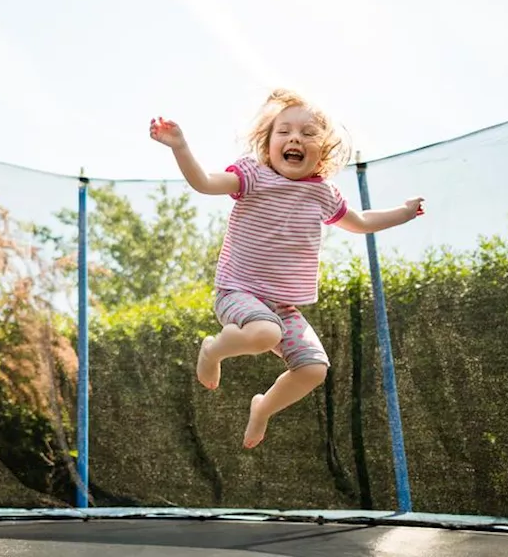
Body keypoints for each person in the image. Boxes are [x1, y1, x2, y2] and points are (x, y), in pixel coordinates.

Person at [149, 89, 424, 449]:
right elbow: (204, 183)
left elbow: (359, 221)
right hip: (238, 292)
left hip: (282, 306)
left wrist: (402, 213)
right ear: (268, 143)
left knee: (313, 368)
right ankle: (212, 350)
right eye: (285, 131)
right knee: (265, 333)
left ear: (322, 150)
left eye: (308, 134)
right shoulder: (254, 176)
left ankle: (263, 408)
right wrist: (179, 145)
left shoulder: (323, 193)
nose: (296, 138)